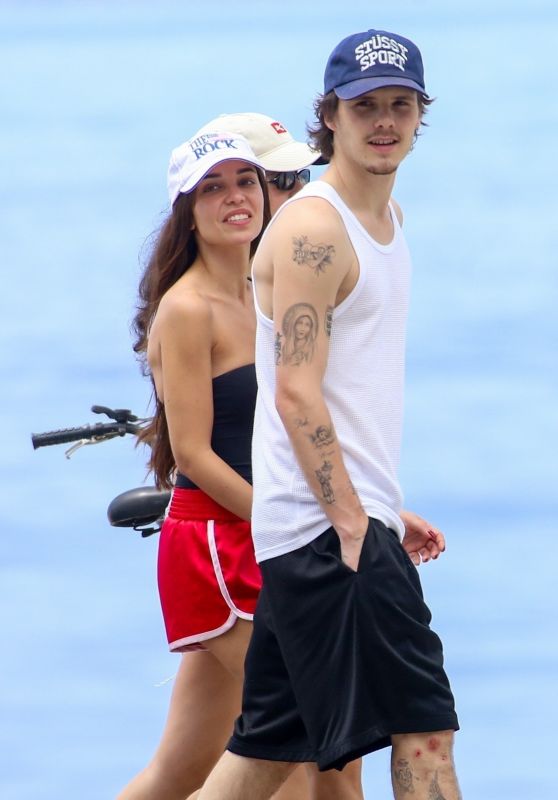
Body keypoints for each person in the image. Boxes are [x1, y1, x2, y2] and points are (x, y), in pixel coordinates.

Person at [198, 29, 461, 800]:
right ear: (331, 117)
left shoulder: (387, 218)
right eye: (365, 106)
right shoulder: (317, 230)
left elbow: (346, 388)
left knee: (266, 755)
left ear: (420, 115)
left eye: (401, 105)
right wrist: (352, 519)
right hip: (326, 533)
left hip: (319, 523)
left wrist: (380, 505)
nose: (385, 121)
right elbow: (296, 391)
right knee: (424, 725)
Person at [117, 116, 369, 800]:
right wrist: (284, 520)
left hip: (273, 534)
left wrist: (366, 504)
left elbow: (301, 422)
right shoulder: (187, 308)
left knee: (182, 767)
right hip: (220, 549)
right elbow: (193, 455)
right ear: (188, 213)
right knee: (304, 743)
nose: (237, 197)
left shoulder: (269, 293)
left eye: (246, 181)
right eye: (213, 189)